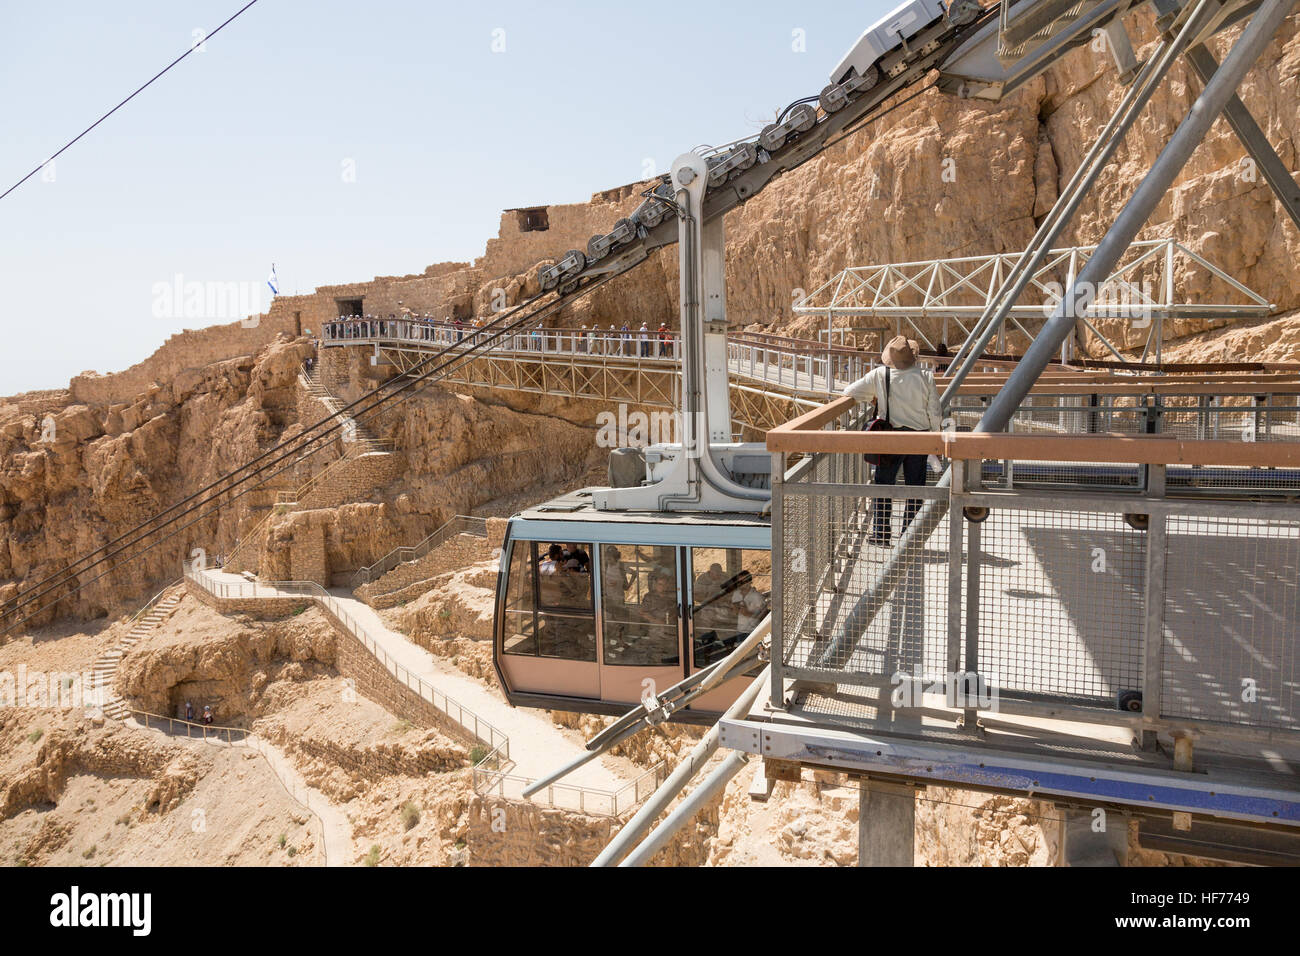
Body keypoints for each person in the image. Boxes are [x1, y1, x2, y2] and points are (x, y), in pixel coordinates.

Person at [843, 335, 942, 546]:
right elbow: (934, 411)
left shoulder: (880, 374)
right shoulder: (926, 376)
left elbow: (849, 392)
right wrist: (935, 438)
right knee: (915, 487)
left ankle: (881, 533)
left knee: (884, 484)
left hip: (891, 438)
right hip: (920, 437)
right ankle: (910, 536)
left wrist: (874, 396)